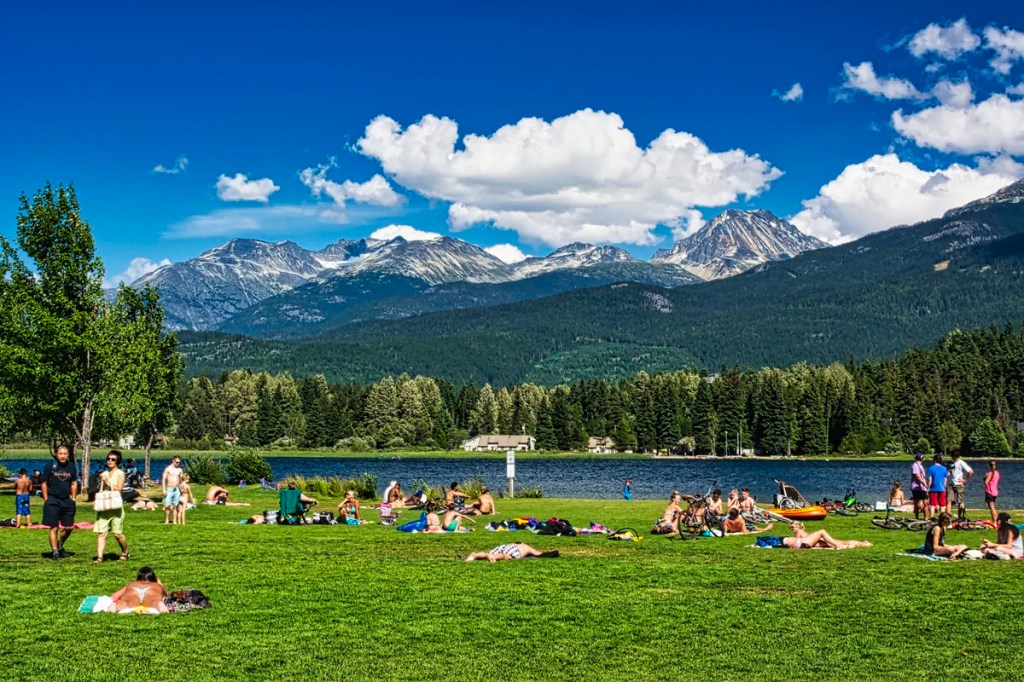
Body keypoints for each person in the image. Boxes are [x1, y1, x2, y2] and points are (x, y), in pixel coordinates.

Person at [41, 444, 79, 560]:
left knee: (69, 527)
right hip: (53, 499)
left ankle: (60, 545)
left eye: (65, 454)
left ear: (68, 455)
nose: (63, 456)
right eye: (60, 453)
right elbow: (44, 483)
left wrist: (73, 498)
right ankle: (55, 552)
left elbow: (73, 483)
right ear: (56, 454)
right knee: (54, 527)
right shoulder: (50, 466)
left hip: (67, 500)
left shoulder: (72, 467)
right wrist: (46, 499)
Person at [94, 450, 129, 563]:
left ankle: (124, 552)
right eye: (108, 459)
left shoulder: (120, 473)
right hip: (105, 506)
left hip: (116, 507)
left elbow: (119, 488)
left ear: (117, 461)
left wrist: (108, 482)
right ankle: (100, 557)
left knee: (117, 534)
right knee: (101, 533)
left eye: (113, 459)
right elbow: (102, 488)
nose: (110, 461)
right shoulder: (105, 473)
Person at [782, 521, 871, 549]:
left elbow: (798, 542)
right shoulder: (801, 530)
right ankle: (862, 543)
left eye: (793, 527)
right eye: (791, 528)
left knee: (839, 543)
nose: (792, 528)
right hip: (816, 541)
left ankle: (862, 544)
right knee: (842, 542)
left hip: (816, 541)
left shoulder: (798, 531)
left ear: (798, 526)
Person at [463, 543, 559, 563]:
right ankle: (493, 557)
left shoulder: (511, 543)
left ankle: (475, 555)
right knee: (506, 556)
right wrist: (554, 553)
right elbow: (539, 554)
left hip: (502, 546)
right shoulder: (525, 546)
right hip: (513, 551)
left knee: (487, 552)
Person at [161, 455, 184, 524]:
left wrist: (182, 488)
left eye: (179, 462)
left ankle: (174, 520)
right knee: (167, 506)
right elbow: (163, 479)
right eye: (177, 462)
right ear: (173, 461)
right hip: (169, 489)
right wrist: (164, 489)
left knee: (175, 505)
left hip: (176, 489)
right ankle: (167, 520)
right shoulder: (168, 469)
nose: (178, 463)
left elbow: (182, 479)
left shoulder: (180, 470)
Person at [926, 454, 949, 520]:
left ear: (934, 460)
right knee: (942, 505)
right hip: (942, 489)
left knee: (932, 504)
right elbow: (945, 480)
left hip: (933, 488)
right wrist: (945, 488)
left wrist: (928, 488)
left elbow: (930, 480)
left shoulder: (931, 468)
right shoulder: (944, 469)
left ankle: (932, 517)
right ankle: (942, 518)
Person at [910, 453, 929, 520]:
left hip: (923, 488)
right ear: (921, 458)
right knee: (916, 503)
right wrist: (923, 483)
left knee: (925, 503)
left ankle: (926, 518)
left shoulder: (920, 465)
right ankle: (917, 518)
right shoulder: (915, 465)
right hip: (916, 487)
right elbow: (917, 476)